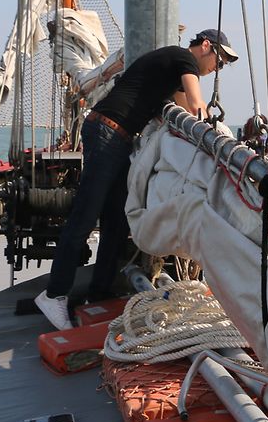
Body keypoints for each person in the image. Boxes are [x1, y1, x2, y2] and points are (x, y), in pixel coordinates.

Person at [34, 30, 237, 331]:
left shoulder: (173, 68)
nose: (218, 69)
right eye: (219, 61)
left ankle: (98, 295)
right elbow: (196, 107)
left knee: (117, 221)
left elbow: (183, 111)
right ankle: (54, 294)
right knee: (85, 216)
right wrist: (217, 141)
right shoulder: (183, 59)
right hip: (107, 132)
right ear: (206, 46)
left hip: (118, 138)